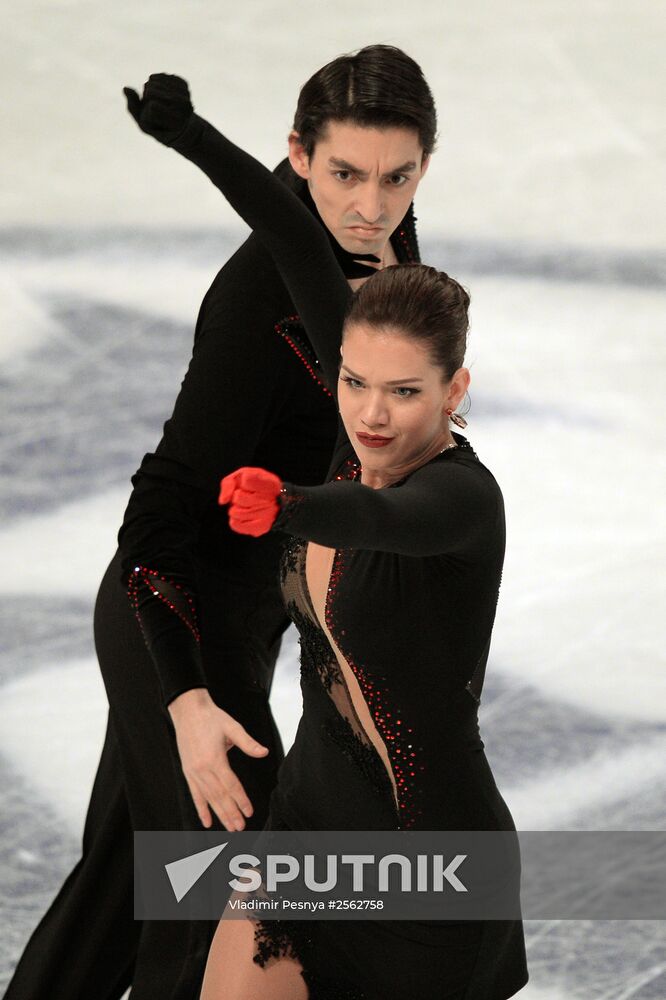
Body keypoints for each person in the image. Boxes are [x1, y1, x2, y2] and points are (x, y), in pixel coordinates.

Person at [4, 48, 433, 1000]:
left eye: (397, 176)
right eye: (344, 175)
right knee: (224, 908)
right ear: (296, 156)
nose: (372, 204)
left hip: (248, 622)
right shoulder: (254, 301)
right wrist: (188, 707)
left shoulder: (387, 252)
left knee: (118, 892)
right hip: (176, 621)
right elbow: (158, 513)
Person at [132, 79, 529, 1000]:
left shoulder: (465, 501)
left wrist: (292, 505)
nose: (373, 416)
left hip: (428, 872)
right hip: (305, 837)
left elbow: (385, 518)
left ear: (453, 392)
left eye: (404, 393)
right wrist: (188, 134)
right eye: (353, 385)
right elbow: (284, 226)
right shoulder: (356, 418)